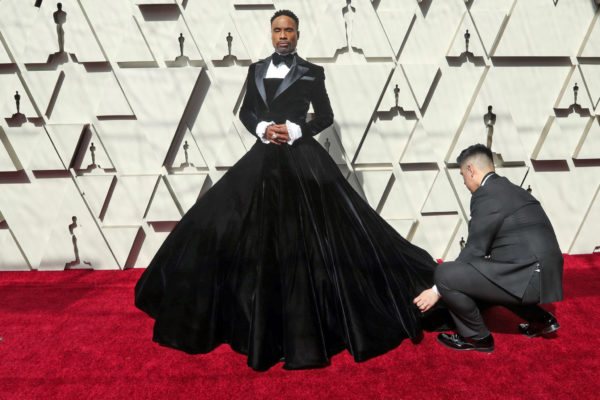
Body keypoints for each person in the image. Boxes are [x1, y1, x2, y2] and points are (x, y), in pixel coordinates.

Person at [135, 9, 449, 371]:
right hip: (263, 157)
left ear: (297, 35)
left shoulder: (313, 72)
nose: (283, 35)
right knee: (219, 221)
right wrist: (263, 127)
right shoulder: (254, 70)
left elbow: (326, 115)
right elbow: (246, 112)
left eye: (289, 30)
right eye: (277, 30)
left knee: (320, 236)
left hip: (302, 160)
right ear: (271, 34)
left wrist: (297, 130)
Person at [413, 144, 563, 353]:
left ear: (471, 170)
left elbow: (475, 249)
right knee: (492, 271)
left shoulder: (487, 194)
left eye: (462, 175)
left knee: (446, 273)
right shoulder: (511, 189)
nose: (464, 182)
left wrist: (436, 290)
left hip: (528, 276)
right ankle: (542, 319)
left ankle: (476, 337)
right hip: (544, 274)